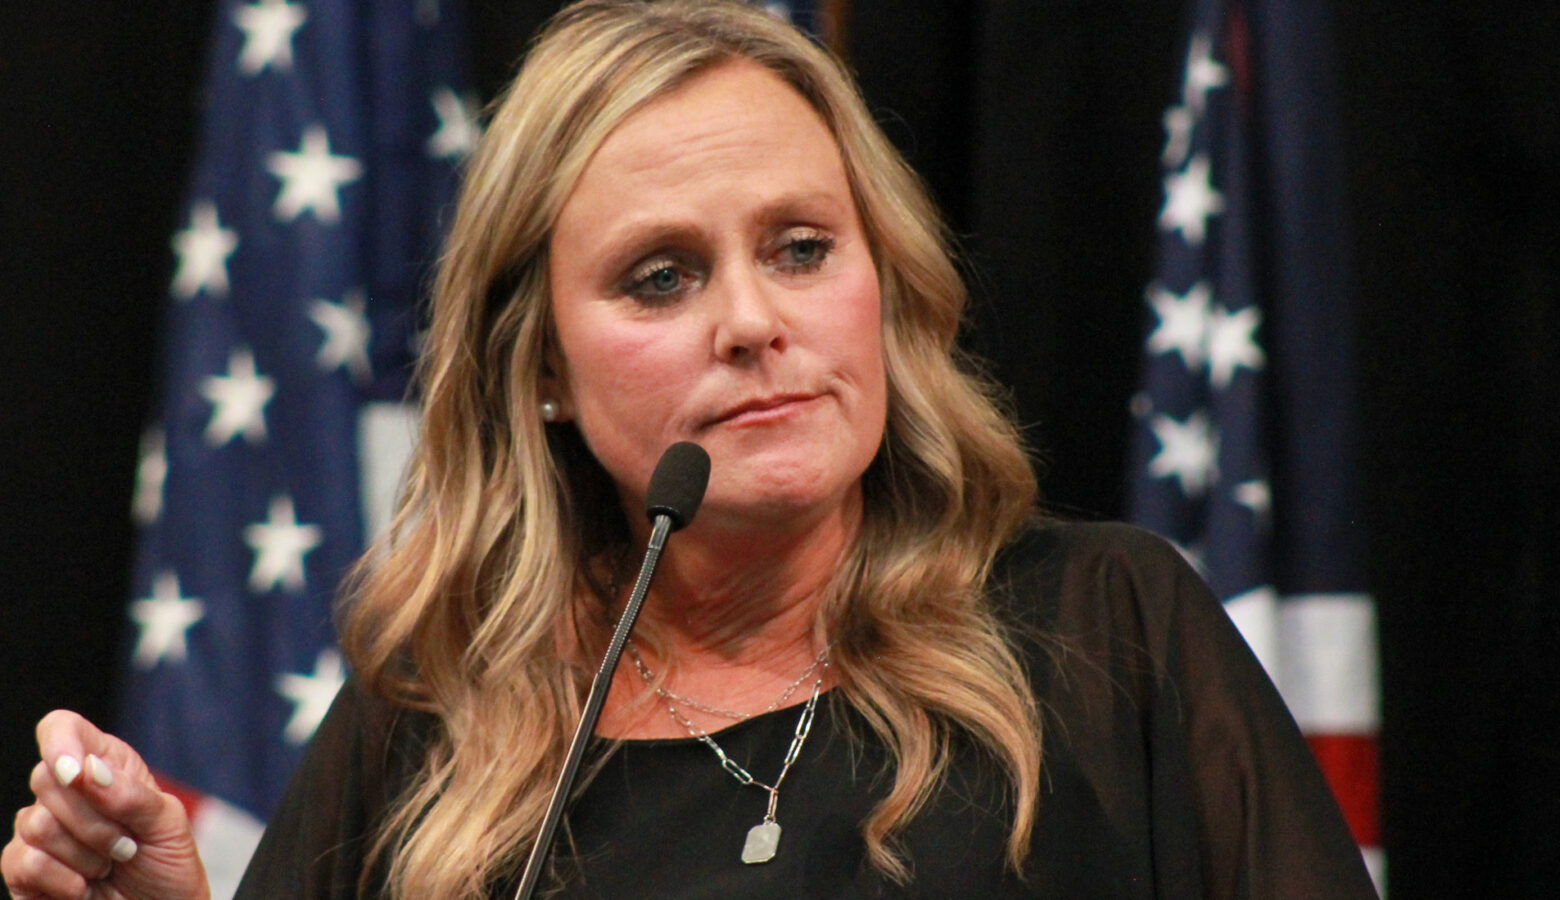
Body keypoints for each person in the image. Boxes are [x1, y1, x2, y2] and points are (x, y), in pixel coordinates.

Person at [3, 1, 1378, 898]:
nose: (750, 322)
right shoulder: (426, 738)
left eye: (800, 249)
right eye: (659, 277)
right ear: (540, 366)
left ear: (882, 284)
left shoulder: (1109, 633)